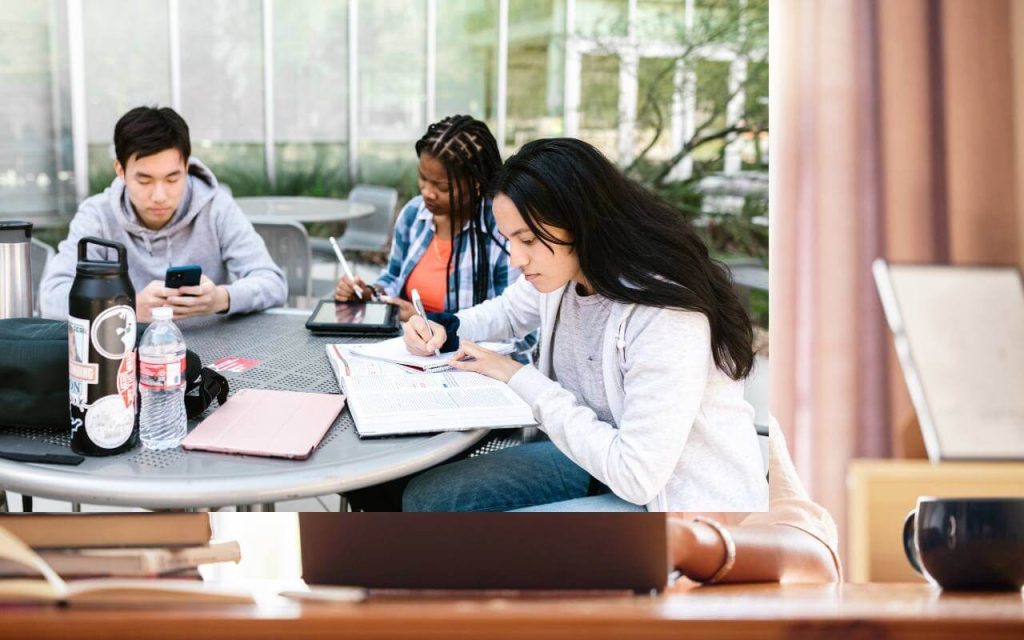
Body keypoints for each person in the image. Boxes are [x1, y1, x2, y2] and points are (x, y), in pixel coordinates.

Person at [400, 137, 768, 513]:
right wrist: (446, 326)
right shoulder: (565, 273)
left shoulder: (663, 315)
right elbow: (508, 313)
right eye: (509, 239)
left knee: (463, 533)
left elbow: (637, 477)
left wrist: (518, 377)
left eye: (526, 239)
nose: (515, 258)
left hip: (679, 507)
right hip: (596, 461)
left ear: (579, 222)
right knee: (425, 498)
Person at [40, 106, 287, 322]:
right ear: (121, 170)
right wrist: (127, 308)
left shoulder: (217, 207)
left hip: (213, 355)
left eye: (172, 178)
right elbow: (51, 297)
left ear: (186, 167)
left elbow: (273, 282)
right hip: (125, 357)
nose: (160, 195)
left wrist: (221, 298)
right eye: (145, 180)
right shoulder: (97, 216)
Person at [334, 115, 516, 319]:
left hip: (465, 350)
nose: (427, 192)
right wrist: (369, 294)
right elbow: (394, 277)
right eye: (422, 178)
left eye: (442, 187)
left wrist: (426, 322)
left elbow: (516, 326)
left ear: (476, 183)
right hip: (404, 344)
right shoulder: (414, 214)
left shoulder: (502, 230)